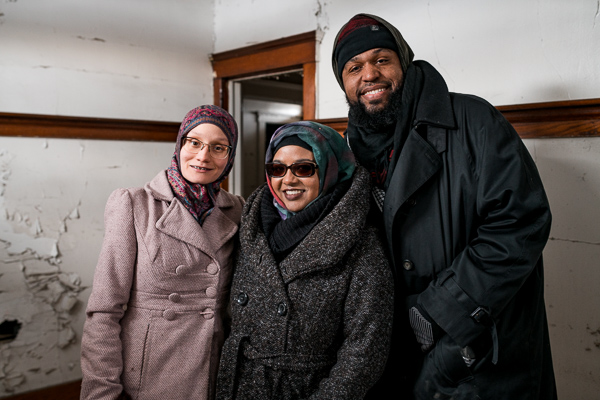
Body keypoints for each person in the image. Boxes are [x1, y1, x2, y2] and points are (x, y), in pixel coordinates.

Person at [331, 13, 557, 400]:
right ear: (345, 85)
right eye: (354, 67)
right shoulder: (348, 151)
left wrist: (440, 310)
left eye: (381, 59)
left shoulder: (472, 120)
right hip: (397, 355)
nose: (369, 74)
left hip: (477, 352)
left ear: (403, 61)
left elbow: (520, 222)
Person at [216, 121, 394, 399]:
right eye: (277, 169)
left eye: (303, 168)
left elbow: (366, 350)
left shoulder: (360, 241)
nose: (288, 180)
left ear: (330, 170)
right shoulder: (251, 223)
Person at [80, 105, 244, 400]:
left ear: (230, 156)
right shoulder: (133, 204)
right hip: (150, 373)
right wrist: (102, 392)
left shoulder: (237, 209)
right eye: (194, 143)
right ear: (180, 144)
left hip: (215, 369)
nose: (203, 156)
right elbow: (104, 311)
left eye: (218, 147)